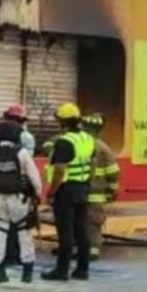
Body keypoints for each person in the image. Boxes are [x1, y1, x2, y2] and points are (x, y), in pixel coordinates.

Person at [0, 122, 43, 284]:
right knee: (23, 232)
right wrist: (38, 196)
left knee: (0, 232)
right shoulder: (22, 153)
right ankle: (27, 273)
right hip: (20, 199)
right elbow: (35, 178)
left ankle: (0, 272)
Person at [42, 102, 95, 282]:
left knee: (65, 232)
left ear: (62, 122)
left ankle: (61, 270)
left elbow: (59, 170)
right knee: (82, 230)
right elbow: (91, 164)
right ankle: (82, 269)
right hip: (82, 188)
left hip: (66, 191)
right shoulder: (88, 139)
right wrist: (87, 182)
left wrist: (51, 192)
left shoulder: (64, 142)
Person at [83, 113, 121, 260]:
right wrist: (112, 189)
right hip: (96, 193)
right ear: (99, 130)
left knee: (77, 221)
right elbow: (112, 172)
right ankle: (93, 250)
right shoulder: (103, 148)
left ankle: (77, 248)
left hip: (76, 191)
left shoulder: (76, 144)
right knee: (93, 222)